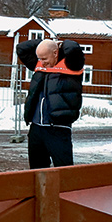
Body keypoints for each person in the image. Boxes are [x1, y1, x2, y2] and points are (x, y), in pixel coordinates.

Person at [16, 37, 85, 168]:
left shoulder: (72, 64)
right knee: (37, 171)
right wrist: (44, 42)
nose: (41, 63)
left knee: (64, 170)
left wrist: (60, 44)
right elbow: (21, 48)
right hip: (36, 128)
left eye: (45, 59)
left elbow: (73, 49)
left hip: (58, 128)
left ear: (55, 53)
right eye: (39, 59)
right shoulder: (41, 64)